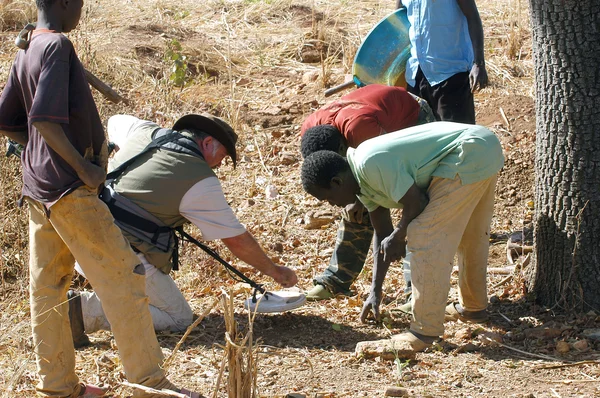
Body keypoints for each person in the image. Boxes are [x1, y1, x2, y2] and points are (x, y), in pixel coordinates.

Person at [0, 0, 202, 396]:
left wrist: (37, 156)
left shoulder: (27, 46)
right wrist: (83, 167)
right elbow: (41, 118)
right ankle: (149, 383)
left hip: (40, 189)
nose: (80, 10)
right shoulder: (55, 45)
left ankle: (59, 387)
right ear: (61, 2)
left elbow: (9, 121)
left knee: (48, 288)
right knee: (125, 278)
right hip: (70, 191)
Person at [70, 114, 298, 343]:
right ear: (207, 143)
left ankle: (91, 303)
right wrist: (275, 271)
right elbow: (236, 239)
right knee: (178, 318)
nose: (220, 165)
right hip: (114, 251)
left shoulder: (145, 130)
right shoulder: (199, 179)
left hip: (78, 232)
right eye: (223, 156)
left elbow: (114, 121)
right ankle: (81, 312)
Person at [301, 121, 504, 354]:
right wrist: (375, 292)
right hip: (481, 149)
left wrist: (400, 234)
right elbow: (383, 234)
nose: (333, 205)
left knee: (423, 233)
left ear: (337, 182)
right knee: (470, 234)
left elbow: (417, 202)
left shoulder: (369, 163)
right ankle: (473, 308)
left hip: (468, 151)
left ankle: (423, 332)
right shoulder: (361, 183)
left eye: (327, 198)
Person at [300, 84, 435, 301]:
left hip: (411, 115)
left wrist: (395, 232)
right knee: (354, 207)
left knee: (416, 204)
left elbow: (378, 182)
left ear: (343, 149)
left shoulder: (361, 131)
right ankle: (336, 280)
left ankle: (417, 291)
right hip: (374, 116)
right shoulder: (310, 131)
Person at [396, 0, 489, 123]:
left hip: (451, 74)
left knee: (456, 138)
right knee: (422, 139)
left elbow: (472, 16)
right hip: (416, 76)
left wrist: (478, 63)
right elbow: (397, 21)